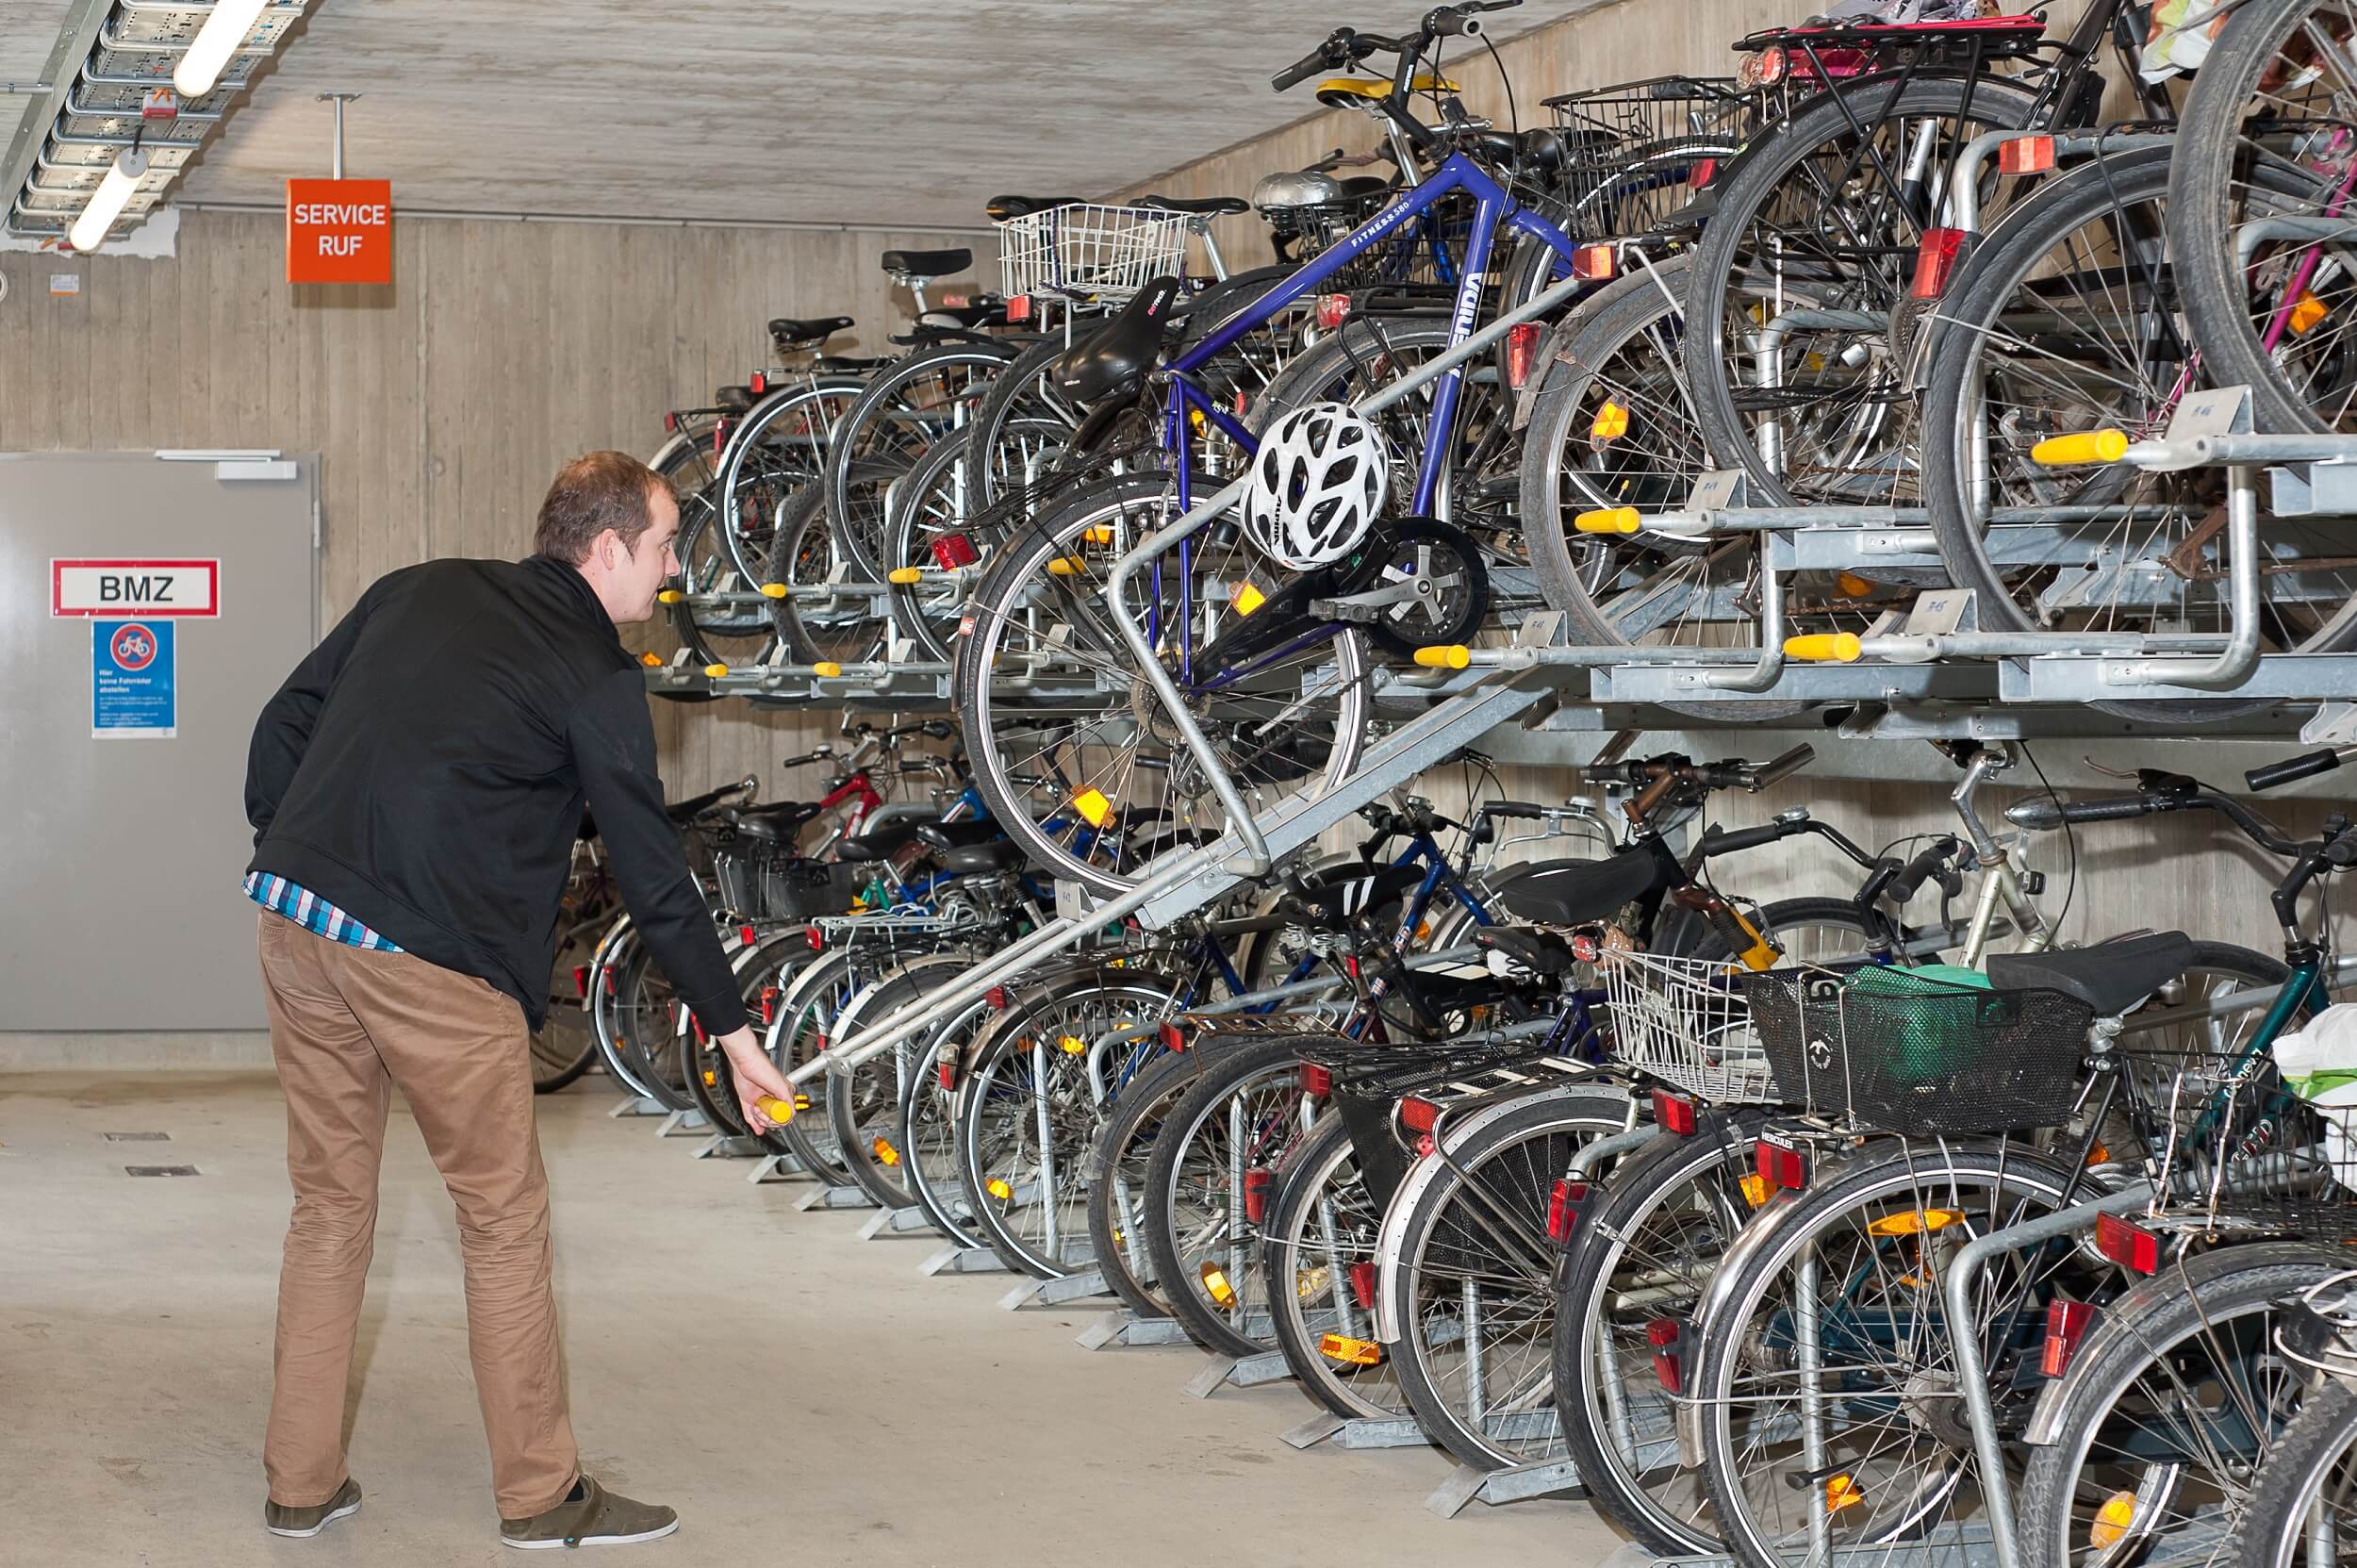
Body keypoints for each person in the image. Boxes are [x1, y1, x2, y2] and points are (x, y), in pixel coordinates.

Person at [241, 451, 794, 1548]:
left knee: (330, 1204)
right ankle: (541, 1494)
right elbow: (650, 871)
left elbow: (281, 721)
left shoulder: (422, 584)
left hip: (293, 919)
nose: (672, 571)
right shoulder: (595, 669)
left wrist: (297, 845)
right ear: (605, 551)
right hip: (430, 960)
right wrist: (733, 1031)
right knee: (500, 1222)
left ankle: (299, 1484)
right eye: (666, 545)